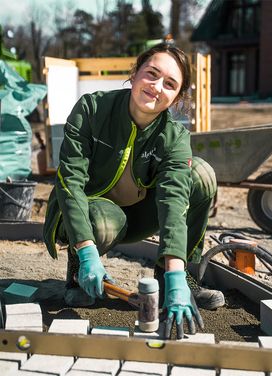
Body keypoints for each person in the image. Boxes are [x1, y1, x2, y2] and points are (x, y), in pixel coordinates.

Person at [43, 42, 224, 339]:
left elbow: (173, 200)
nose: (156, 87)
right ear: (135, 72)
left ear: (177, 96)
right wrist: (87, 252)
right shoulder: (92, 109)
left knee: (201, 175)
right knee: (101, 222)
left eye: (169, 84)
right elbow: (70, 180)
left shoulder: (174, 137)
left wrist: (175, 270)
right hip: (92, 212)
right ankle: (79, 272)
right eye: (151, 74)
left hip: (138, 216)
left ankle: (174, 281)